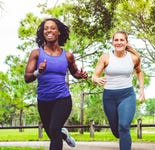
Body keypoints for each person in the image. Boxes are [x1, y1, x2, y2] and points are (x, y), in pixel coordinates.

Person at [24, 18, 88, 150]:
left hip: (62, 98)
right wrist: (38, 72)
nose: (49, 30)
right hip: (44, 100)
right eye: (46, 28)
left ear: (58, 32)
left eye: (52, 28)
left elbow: (75, 72)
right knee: (53, 134)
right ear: (43, 33)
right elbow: (27, 78)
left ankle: (60, 132)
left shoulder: (67, 56)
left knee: (54, 129)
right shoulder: (36, 54)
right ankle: (63, 134)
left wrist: (81, 75)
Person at [92, 30, 145, 150]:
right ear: (112, 42)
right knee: (117, 132)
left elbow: (139, 71)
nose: (119, 42)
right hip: (109, 97)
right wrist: (96, 79)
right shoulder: (105, 57)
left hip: (127, 95)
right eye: (116, 40)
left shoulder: (133, 58)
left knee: (124, 126)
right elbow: (94, 75)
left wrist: (141, 89)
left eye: (122, 40)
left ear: (126, 42)